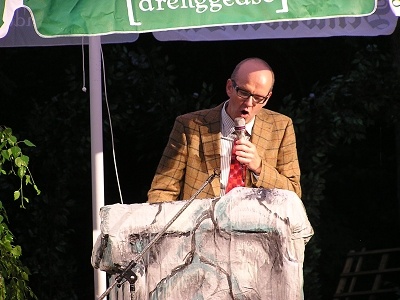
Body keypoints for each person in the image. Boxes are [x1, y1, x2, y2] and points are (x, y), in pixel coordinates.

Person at [147, 57, 301, 203]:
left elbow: (293, 193)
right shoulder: (189, 126)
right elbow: (163, 189)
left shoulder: (281, 127)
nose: (249, 103)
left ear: (268, 98)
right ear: (229, 87)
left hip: (254, 227)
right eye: (244, 93)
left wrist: (259, 167)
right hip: (199, 225)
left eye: (259, 98)